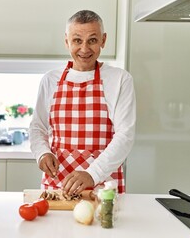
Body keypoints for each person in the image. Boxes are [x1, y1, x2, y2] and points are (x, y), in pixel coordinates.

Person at [29, 10, 136, 195]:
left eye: (92, 40)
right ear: (66, 41)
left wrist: (91, 174)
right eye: (77, 40)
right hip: (58, 184)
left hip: (104, 186)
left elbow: (125, 136)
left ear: (103, 40)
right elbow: (37, 127)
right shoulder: (50, 80)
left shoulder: (120, 79)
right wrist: (42, 153)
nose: (85, 49)